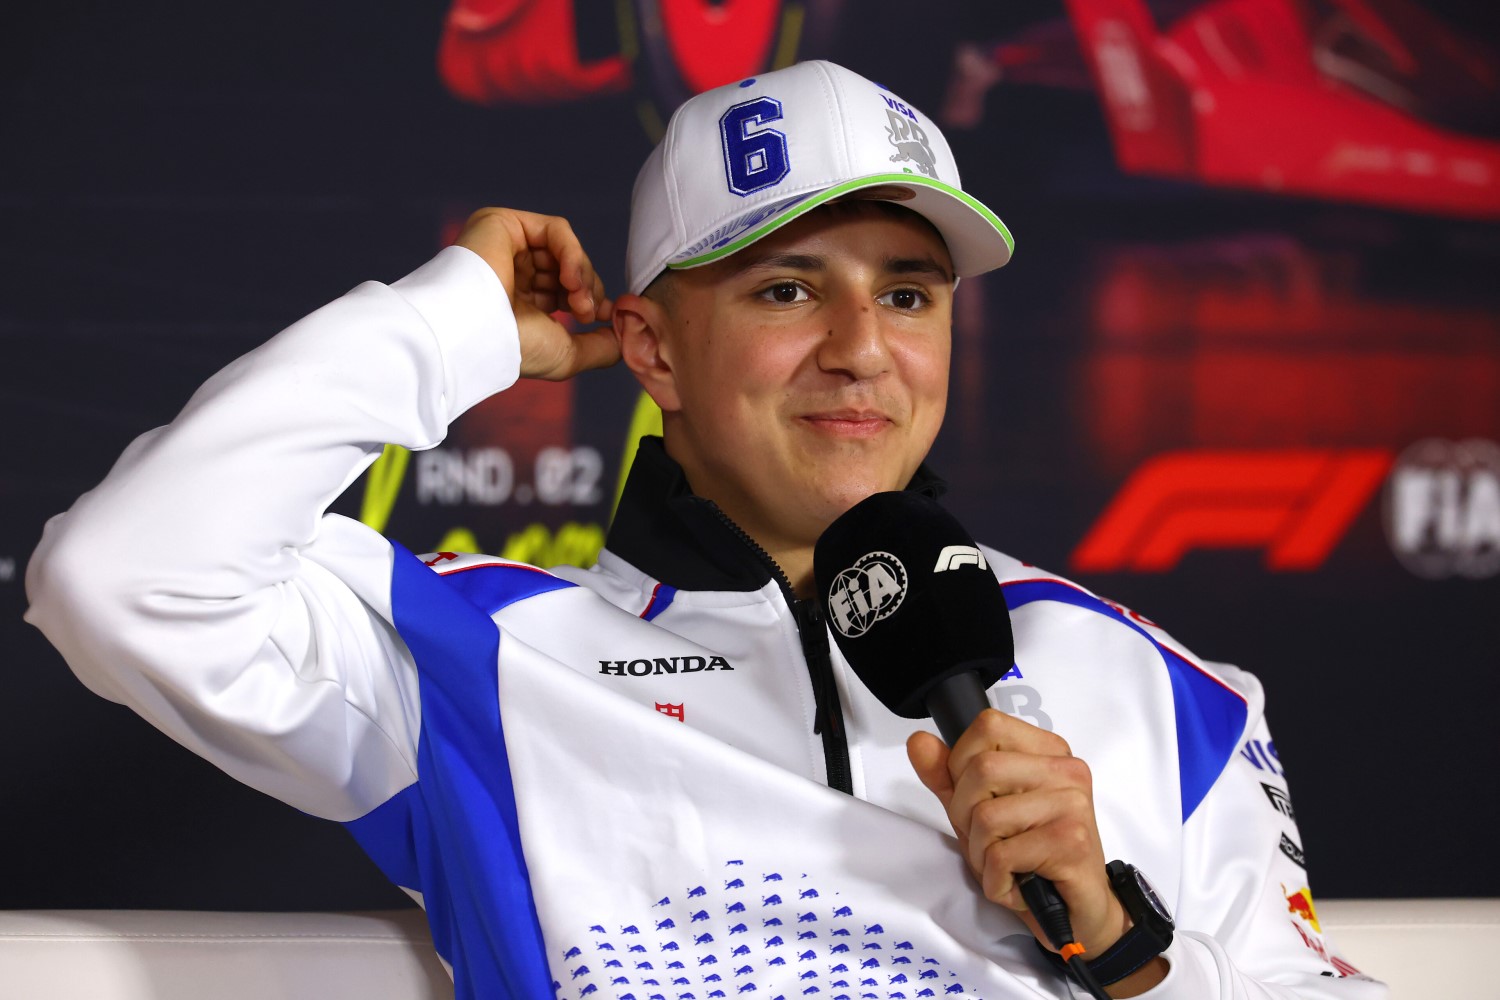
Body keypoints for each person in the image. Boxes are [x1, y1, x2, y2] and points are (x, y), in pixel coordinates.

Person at [25, 60, 1382, 1000]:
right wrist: (451, 324)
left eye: (909, 297)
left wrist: (1124, 947)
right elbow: (119, 577)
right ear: (653, 351)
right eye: (790, 289)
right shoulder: (476, 651)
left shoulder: (1158, 689)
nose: (862, 352)